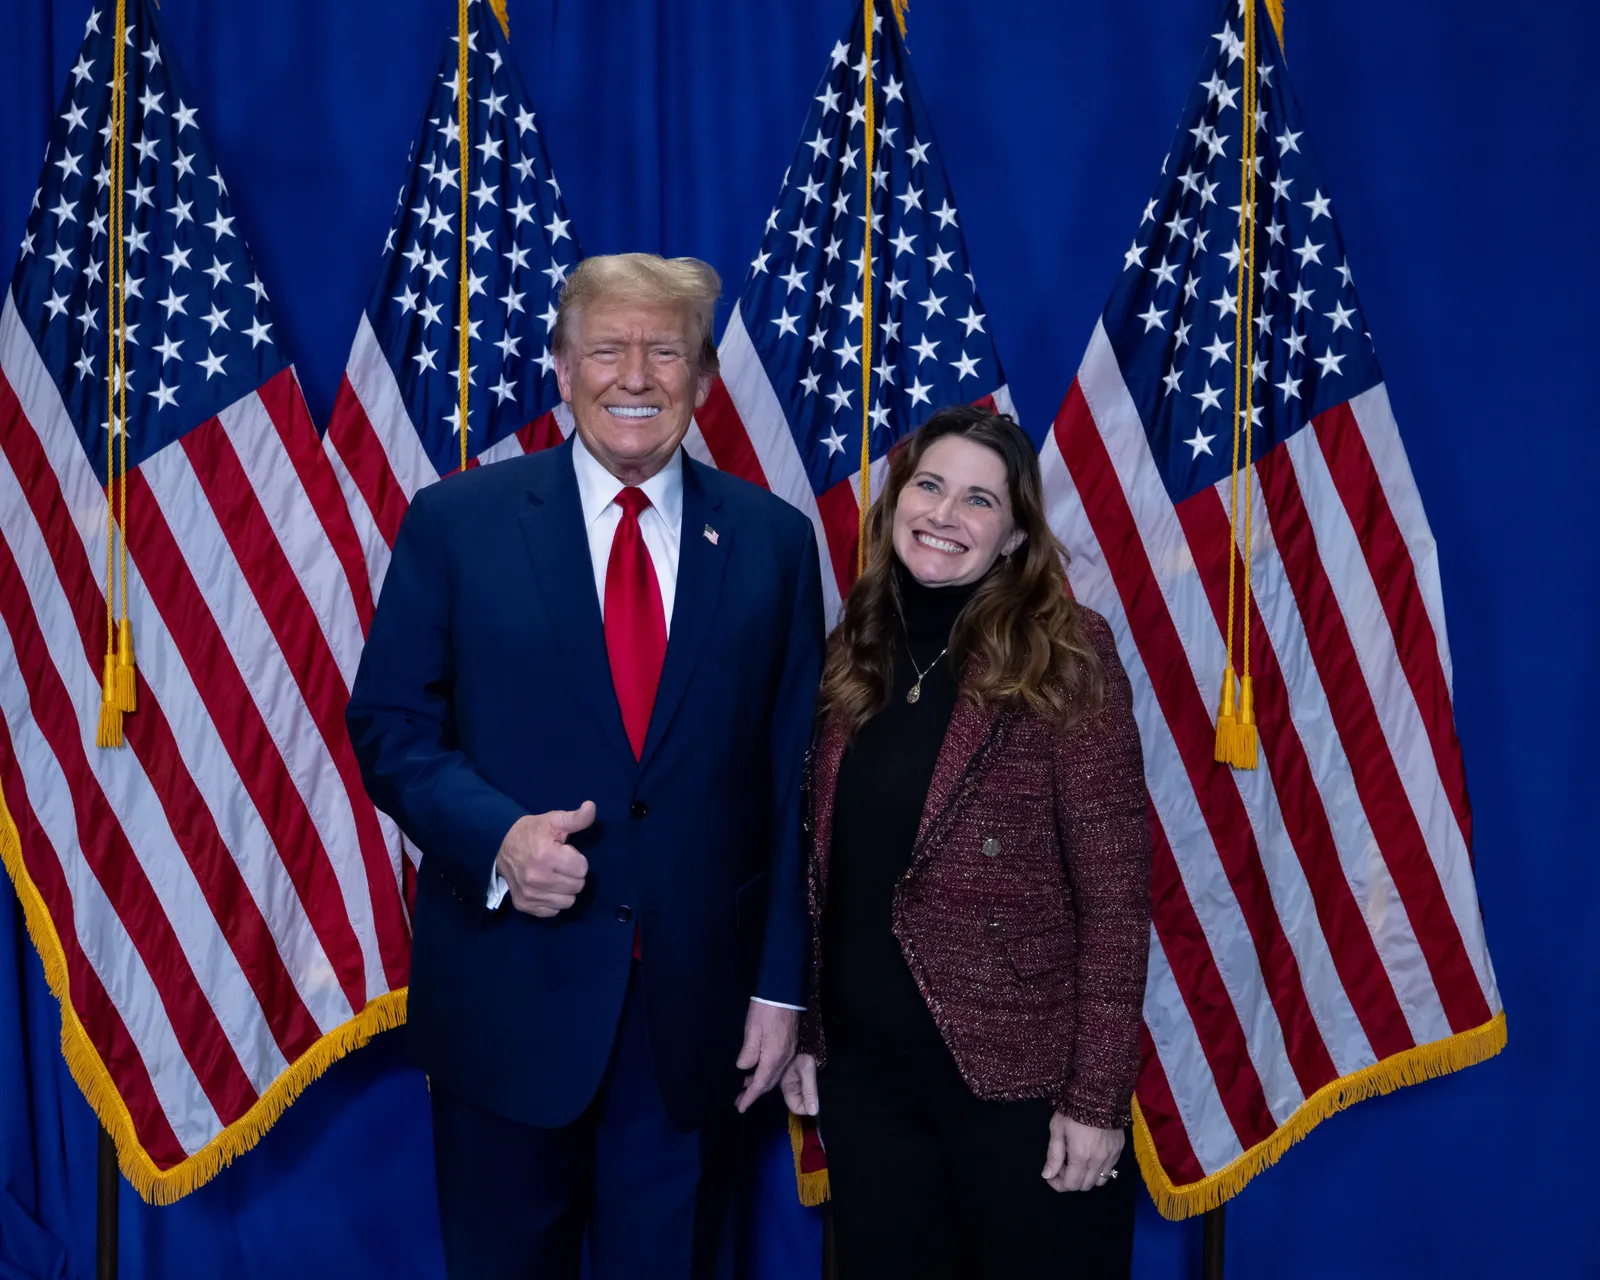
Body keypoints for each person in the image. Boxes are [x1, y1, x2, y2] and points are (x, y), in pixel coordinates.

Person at [347, 253, 824, 1279]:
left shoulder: (775, 543)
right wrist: (498, 838)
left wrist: (782, 988)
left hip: (695, 1019)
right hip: (507, 998)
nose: (636, 374)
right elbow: (390, 723)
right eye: (607, 347)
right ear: (561, 369)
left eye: (666, 350)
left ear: (700, 378)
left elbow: (793, 780)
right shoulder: (457, 522)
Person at [780, 406, 1153, 1279]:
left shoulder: (1067, 654)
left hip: (1019, 1087)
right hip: (869, 1086)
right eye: (930, 486)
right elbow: (817, 868)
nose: (946, 515)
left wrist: (1095, 1101)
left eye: (979, 500)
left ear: (1016, 532)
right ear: (897, 501)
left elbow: (1116, 899)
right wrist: (809, 1037)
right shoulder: (850, 654)